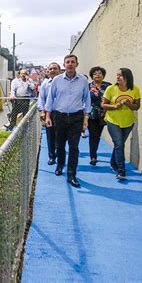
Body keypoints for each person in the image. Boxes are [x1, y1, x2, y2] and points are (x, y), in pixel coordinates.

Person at [45, 54, 91, 188]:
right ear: (64, 65)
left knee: (74, 147)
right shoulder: (57, 80)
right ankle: (60, 165)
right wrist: (48, 116)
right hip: (59, 117)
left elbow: (87, 99)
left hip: (76, 117)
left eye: (72, 62)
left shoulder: (83, 81)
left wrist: (86, 119)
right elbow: (50, 99)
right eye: (67, 62)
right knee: (59, 144)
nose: (70, 64)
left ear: (77, 64)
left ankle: (71, 174)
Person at [101, 68, 141, 180]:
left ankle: (113, 163)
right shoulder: (111, 89)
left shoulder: (135, 89)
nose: (118, 77)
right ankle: (121, 170)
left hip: (128, 122)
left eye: (121, 75)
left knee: (119, 144)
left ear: (127, 77)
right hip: (112, 121)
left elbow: (137, 106)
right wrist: (115, 106)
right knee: (119, 144)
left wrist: (128, 104)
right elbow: (103, 105)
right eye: (117, 75)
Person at [37, 62, 61, 165]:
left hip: (62, 113)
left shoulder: (64, 82)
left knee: (61, 136)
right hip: (49, 114)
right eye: (50, 69)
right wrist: (42, 111)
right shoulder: (45, 83)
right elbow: (41, 98)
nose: (52, 70)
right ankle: (52, 156)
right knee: (50, 135)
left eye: (55, 68)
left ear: (59, 70)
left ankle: (60, 155)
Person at [87, 66, 112, 165]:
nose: (97, 75)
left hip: (104, 114)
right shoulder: (87, 86)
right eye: (95, 73)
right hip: (91, 115)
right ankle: (93, 156)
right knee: (93, 135)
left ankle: (94, 153)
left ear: (103, 75)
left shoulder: (109, 86)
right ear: (92, 76)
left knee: (98, 135)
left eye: (100, 73)